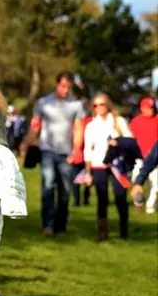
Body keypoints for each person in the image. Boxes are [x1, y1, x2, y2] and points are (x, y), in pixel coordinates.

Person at [19, 71, 86, 237]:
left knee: (65, 190)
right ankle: (48, 225)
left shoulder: (76, 105)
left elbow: (78, 128)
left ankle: (61, 225)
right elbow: (35, 125)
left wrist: (77, 149)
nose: (65, 90)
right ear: (57, 84)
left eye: (68, 87)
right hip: (47, 150)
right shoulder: (43, 103)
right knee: (48, 186)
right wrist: (26, 143)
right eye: (63, 86)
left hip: (66, 153)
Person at [83, 93, 133, 241]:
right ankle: (102, 231)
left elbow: (130, 140)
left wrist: (119, 143)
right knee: (102, 197)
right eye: (95, 105)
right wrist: (88, 171)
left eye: (102, 104)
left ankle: (124, 229)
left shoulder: (119, 122)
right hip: (99, 164)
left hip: (117, 163)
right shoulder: (91, 125)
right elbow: (87, 149)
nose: (99, 108)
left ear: (108, 105)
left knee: (120, 196)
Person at [129, 96, 158, 214]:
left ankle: (150, 206)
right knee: (137, 181)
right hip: (139, 158)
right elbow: (131, 138)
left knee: (156, 185)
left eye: (151, 108)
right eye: (147, 107)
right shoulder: (136, 121)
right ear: (141, 108)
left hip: (155, 158)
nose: (149, 110)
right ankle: (138, 203)